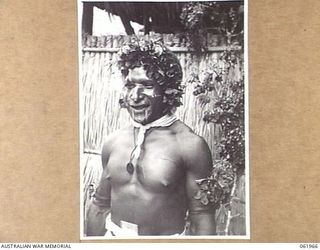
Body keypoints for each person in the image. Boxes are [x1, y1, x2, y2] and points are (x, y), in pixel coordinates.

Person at [86, 38, 216, 236]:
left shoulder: (190, 146)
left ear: (167, 92)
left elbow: (202, 215)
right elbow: (99, 205)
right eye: (129, 86)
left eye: (147, 85)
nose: (135, 96)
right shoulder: (113, 142)